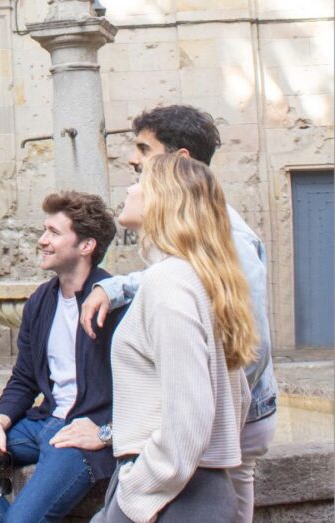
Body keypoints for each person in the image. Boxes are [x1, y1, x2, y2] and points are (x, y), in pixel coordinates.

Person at [80, 105, 278, 522]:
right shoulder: (181, 273)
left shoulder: (173, 280)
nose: (132, 176)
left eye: (143, 167)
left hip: (176, 480)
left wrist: (140, 489)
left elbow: (234, 372)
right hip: (189, 471)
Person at [0, 191, 125, 523]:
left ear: (86, 246)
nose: (42, 241)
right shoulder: (41, 300)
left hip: (81, 435)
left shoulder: (114, 302)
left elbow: (143, 385)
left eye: (53, 232)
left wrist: (107, 431)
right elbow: (24, 378)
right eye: (44, 230)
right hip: (40, 425)